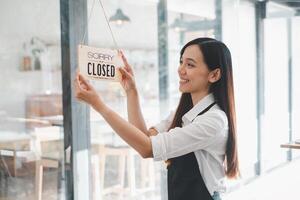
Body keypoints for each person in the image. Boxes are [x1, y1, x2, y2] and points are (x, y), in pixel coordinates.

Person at [74, 37, 239, 200]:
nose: (180, 70)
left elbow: (148, 149)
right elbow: (144, 140)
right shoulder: (185, 113)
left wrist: (99, 106)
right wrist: (131, 90)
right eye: (181, 62)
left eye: (190, 64)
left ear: (214, 74)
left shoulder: (214, 121)